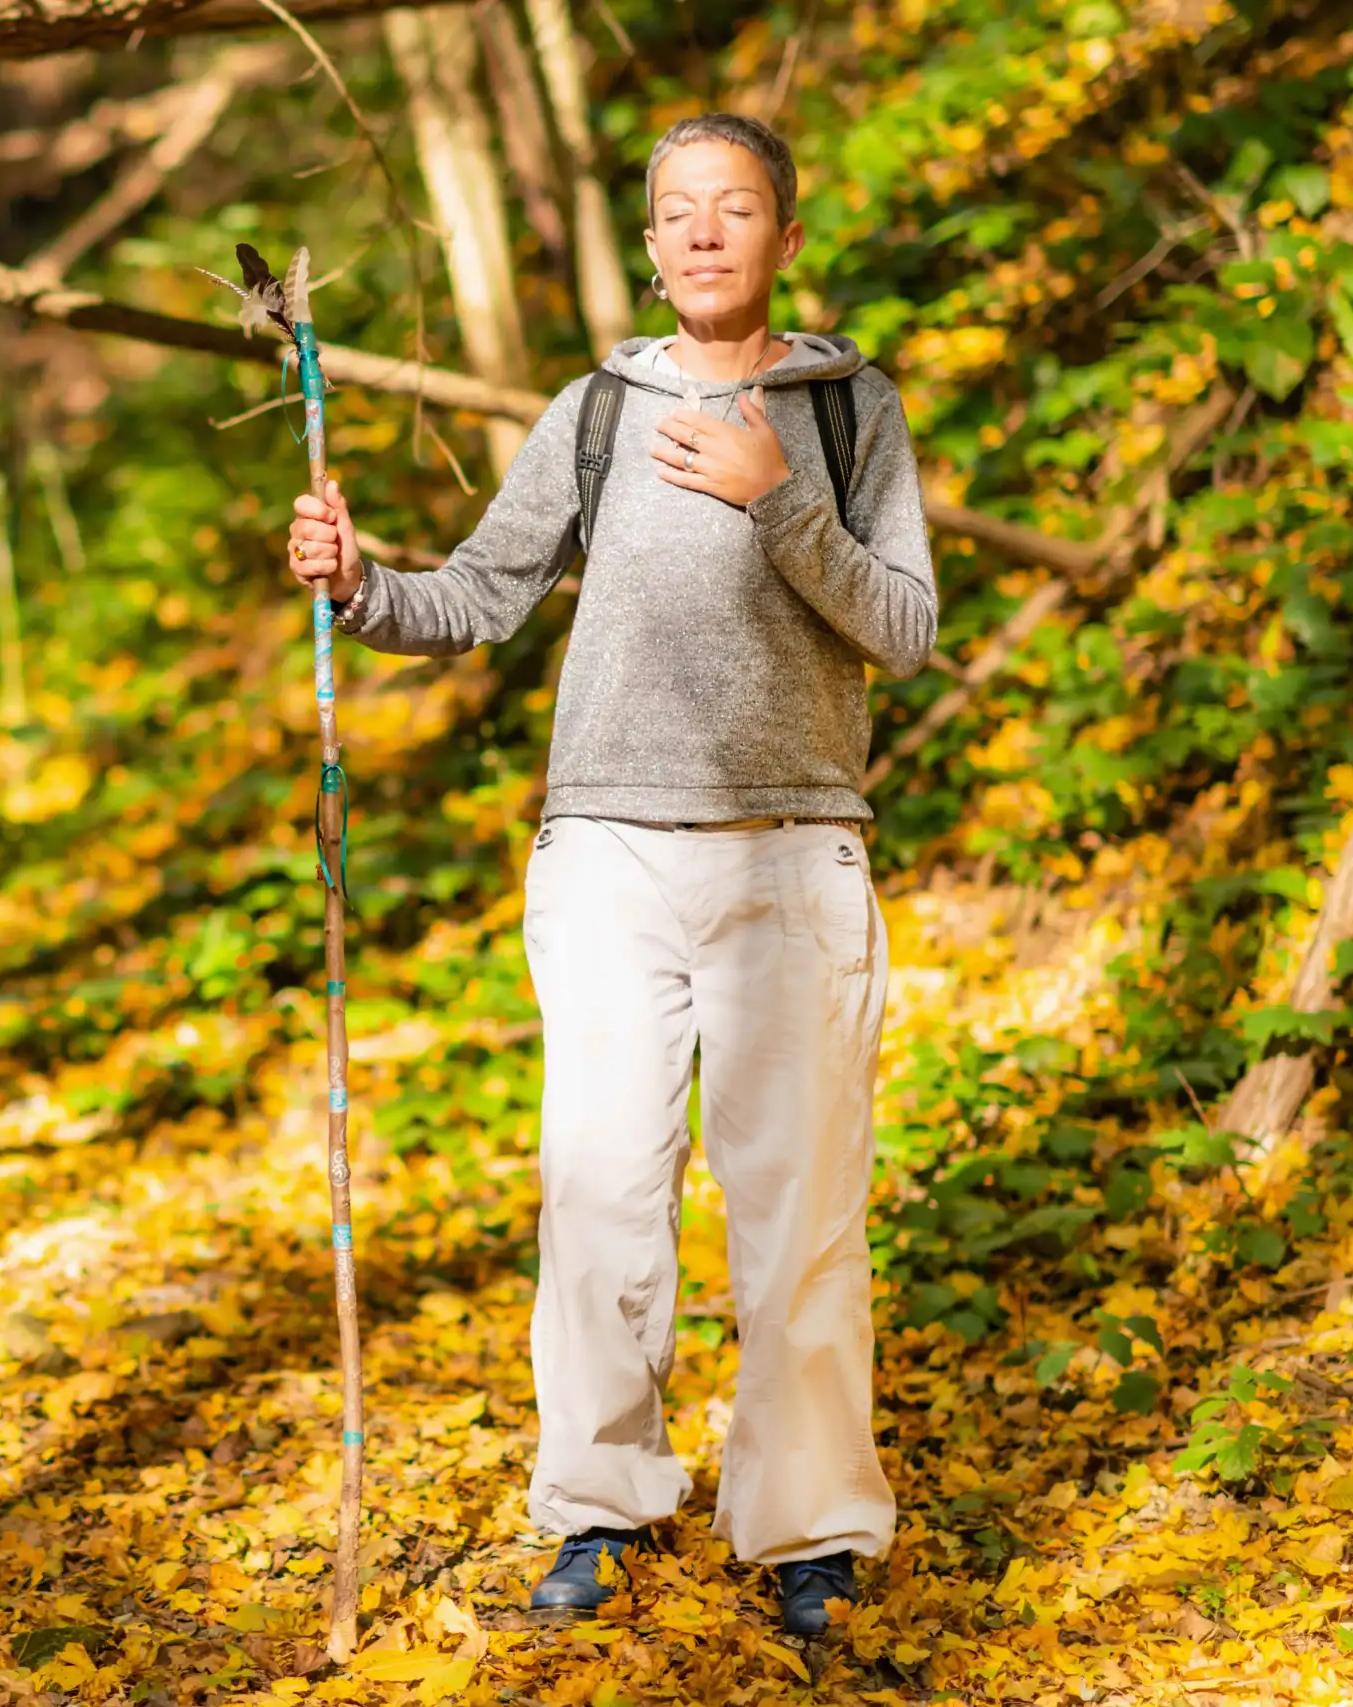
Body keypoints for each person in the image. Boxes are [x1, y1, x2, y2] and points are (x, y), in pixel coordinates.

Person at [283, 112, 936, 1634]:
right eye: (677, 212)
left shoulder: (849, 412)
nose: (706, 231)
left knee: (802, 1212)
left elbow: (901, 630)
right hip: (607, 857)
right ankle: (598, 1509)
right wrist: (357, 582)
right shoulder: (593, 411)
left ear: (784, 231)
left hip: (795, 855)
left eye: (737, 206)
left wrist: (779, 495)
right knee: (600, 1196)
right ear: (650, 246)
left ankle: (809, 1535)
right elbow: (477, 596)